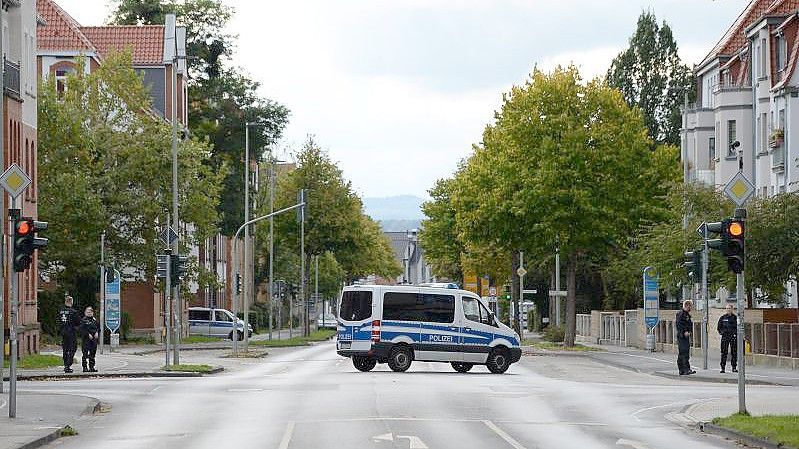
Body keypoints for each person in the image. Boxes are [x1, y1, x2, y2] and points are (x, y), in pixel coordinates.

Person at [58, 295, 80, 373]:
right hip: (71, 332)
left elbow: (59, 321)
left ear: (65, 302)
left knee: (65, 349)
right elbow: (78, 322)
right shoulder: (73, 312)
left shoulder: (61, 311)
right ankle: (68, 365)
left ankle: (65, 364)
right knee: (72, 349)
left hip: (63, 332)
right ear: (71, 302)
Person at [675, 299, 696, 375]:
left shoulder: (686, 314)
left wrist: (689, 331)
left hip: (685, 336)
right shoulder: (681, 314)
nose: (690, 307)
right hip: (682, 336)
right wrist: (684, 332)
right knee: (684, 352)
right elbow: (679, 325)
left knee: (684, 352)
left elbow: (688, 325)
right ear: (687, 305)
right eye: (690, 306)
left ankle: (683, 369)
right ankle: (685, 369)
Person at [717, 304, 738, 373]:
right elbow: (719, 327)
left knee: (734, 352)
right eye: (727, 308)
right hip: (725, 337)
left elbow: (737, 327)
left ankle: (734, 367)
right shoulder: (723, 317)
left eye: (729, 308)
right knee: (724, 352)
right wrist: (721, 332)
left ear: (732, 309)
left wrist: (735, 334)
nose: (728, 309)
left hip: (733, 337)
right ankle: (722, 368)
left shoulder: (735, 318)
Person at [79, 306, 100, 373]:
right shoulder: (83, 320)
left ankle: (92, 367)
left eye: (90, 312)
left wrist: (97, 332)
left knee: (92, 354)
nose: (89, 313)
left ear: (92, 313)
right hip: (86, 340)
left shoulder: (95, 320)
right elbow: (81, 329)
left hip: (94, 340)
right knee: (85, 354)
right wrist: (87, 334)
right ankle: (85, 367)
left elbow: (98, 328)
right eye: (88, 312)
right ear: (85, 313)